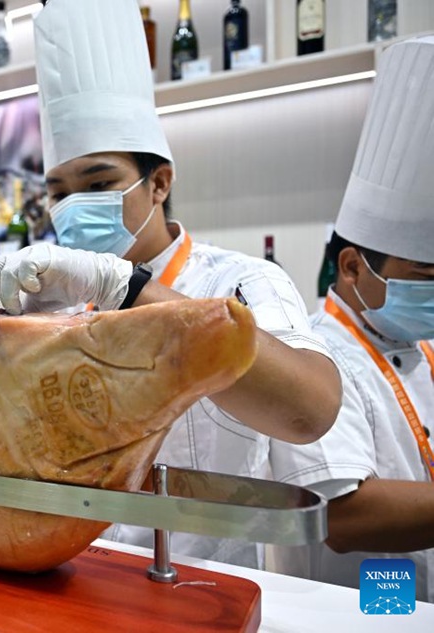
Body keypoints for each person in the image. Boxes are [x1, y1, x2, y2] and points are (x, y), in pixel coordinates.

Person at [0, 0, 342, 568]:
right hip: (68, 578)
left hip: (201, 586)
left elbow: (308, 411)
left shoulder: (240, 281)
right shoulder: (58, 300)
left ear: (159, 183)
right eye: (60, 191)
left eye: (99, 180)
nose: (73, 206)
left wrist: (126, 286)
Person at [268, 36, 434, 601]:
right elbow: (345, 518)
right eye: (426, 273)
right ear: (351, 267)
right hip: (367, 598)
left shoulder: (424, 345)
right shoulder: (316, 359)